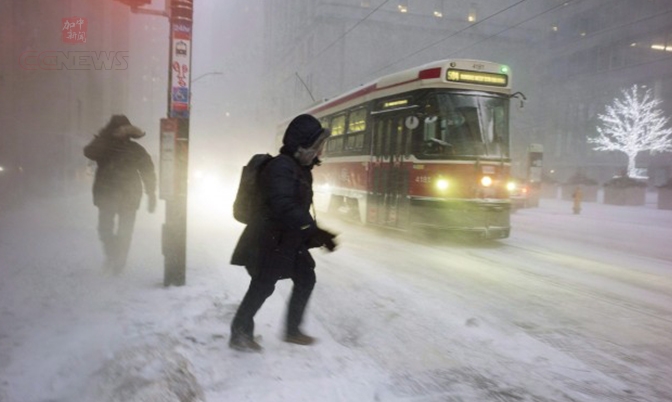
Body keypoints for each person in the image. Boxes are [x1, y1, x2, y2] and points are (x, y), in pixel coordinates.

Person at [229, 114, 338, 352]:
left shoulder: (299, 168)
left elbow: (295, 208)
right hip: (268, 240)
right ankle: (239, 333)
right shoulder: (281, 167)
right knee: (263, 285)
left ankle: (292, 330)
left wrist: (312, 233)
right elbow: (283, 206)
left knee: (305, 277)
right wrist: (315, 232)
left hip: (287, 239)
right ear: (302, 146)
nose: (320, 151)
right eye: (317, 146)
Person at [84, 115, 157, 274]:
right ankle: (114, 255)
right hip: (108, 195)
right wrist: (103, 136)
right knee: (105, 229)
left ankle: (119, 261)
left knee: (124, 231)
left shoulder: (135, 149)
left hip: (127, 195)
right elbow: (88, 152)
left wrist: (151, 193)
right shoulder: (103, 147)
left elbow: (148, 171)